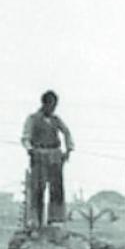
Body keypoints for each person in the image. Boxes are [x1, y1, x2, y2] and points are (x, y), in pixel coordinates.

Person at [21, 90, 75, 226]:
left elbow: (67, 133)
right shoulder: (33, 119)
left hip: (55, 156)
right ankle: (35, 219)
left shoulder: (56, 120)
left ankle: (55, 219)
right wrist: (30, 149)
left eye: (54, 105)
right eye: (51, 105)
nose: (52, 108)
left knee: (56, 189)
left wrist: (68, 150)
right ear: (45, 104)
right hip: (39, 155)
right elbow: (26, 136)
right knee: (37, 189)